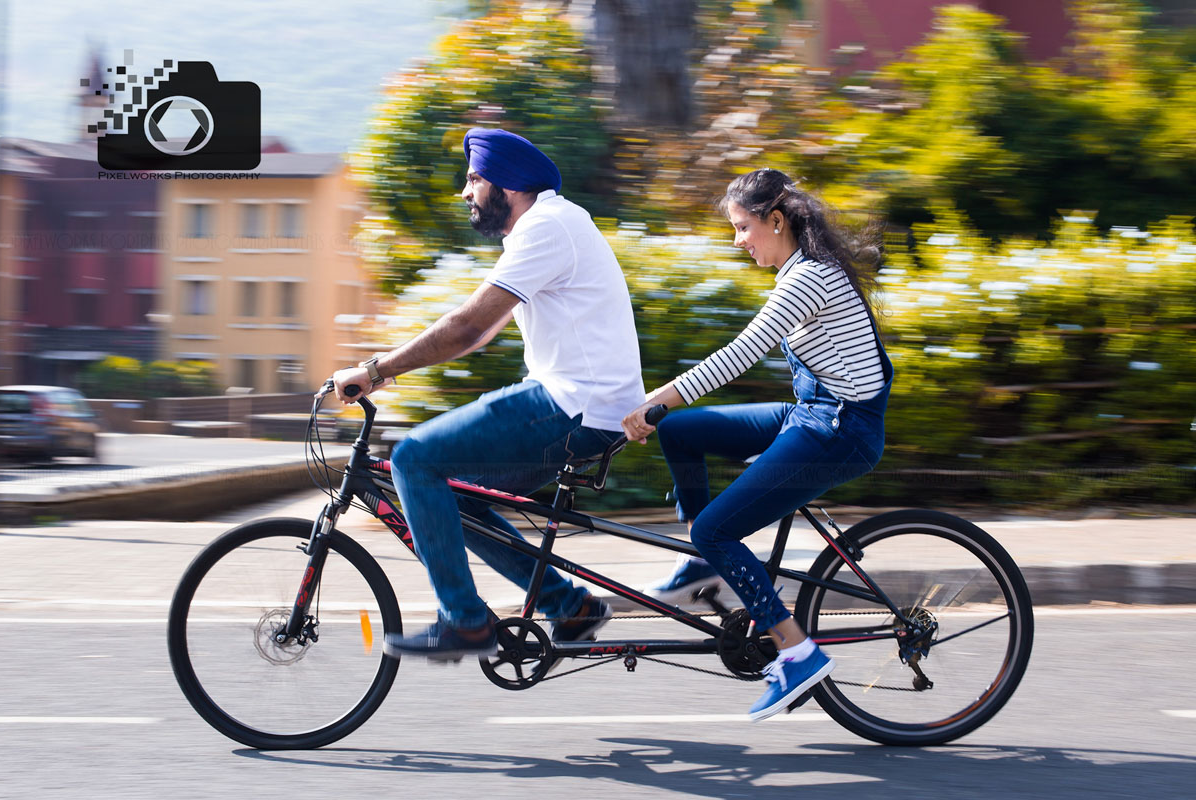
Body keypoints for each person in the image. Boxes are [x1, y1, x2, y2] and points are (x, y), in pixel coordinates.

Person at [333, 128, 645, 660]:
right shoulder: (548, 227)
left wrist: (376, 370)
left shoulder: (547, 226)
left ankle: (465, 622)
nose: (465, 191)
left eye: (474, 178)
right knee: (450, 492)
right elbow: (479, 332)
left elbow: (467, 330)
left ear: (510, 183)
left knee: (413, 458)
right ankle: (568, 605)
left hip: (575, 405)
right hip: (582, 404)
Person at [621, 168, 893, 721]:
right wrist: (665, 411)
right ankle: (706, 563)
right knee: (682, 431)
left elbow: (738, 356)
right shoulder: (803, 270)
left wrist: (654, 402)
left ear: (775, 220)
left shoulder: (806, 280)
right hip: (816, 413)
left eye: (744, 228)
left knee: (715, 526)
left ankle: (795, 652)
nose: (737, 240)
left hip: (839, 430)